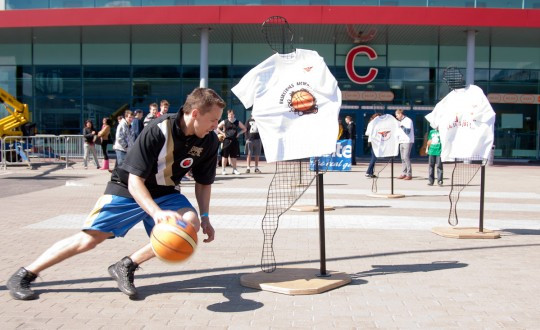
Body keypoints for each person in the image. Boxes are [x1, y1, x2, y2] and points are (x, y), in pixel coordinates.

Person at [6, 87, 226, 301]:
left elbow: (204, 183)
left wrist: (205, 217)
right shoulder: (159, 129)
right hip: (127, 187)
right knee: (89, 240)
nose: (216, 126)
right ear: (195, 114)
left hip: (166, 191)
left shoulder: (209, 140)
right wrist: (156, 212)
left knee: (189, 224)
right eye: (213, 120)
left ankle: (126, 265)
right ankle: (25, 274)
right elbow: (134, 180)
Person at [217, 109, 246, 175]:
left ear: (234, 115)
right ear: (228, 115)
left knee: (234, 156)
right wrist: (222, 133)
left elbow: (244, 129)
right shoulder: (225, 121)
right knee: (225, 156)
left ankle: (234, 169)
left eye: (232, 114)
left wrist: (239, 134)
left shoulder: (237, 122)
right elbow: (217, 127)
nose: (231, 115)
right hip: (226, 140)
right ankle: (223, 170)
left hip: (234, 141)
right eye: (230, 114)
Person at [395, 109, 414, 180]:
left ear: (400, 114)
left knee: (406, 157)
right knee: (402, 158)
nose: (396, 117)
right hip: (401, 141)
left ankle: (409, 174)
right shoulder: (400, 122)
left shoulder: (408, 120)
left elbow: (408, 131)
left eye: (397, 115)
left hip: (407, 141)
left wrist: (401, 125)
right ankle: (404, 173)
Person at [365, 113, 381, 178]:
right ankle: (368, 172)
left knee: (374, 157)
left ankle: (371, 173)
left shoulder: (371, 123)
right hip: (374, 141)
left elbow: (367, 133)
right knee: (374, 157)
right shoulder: (374, 123)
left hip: (372, 141)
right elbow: (368, 132)